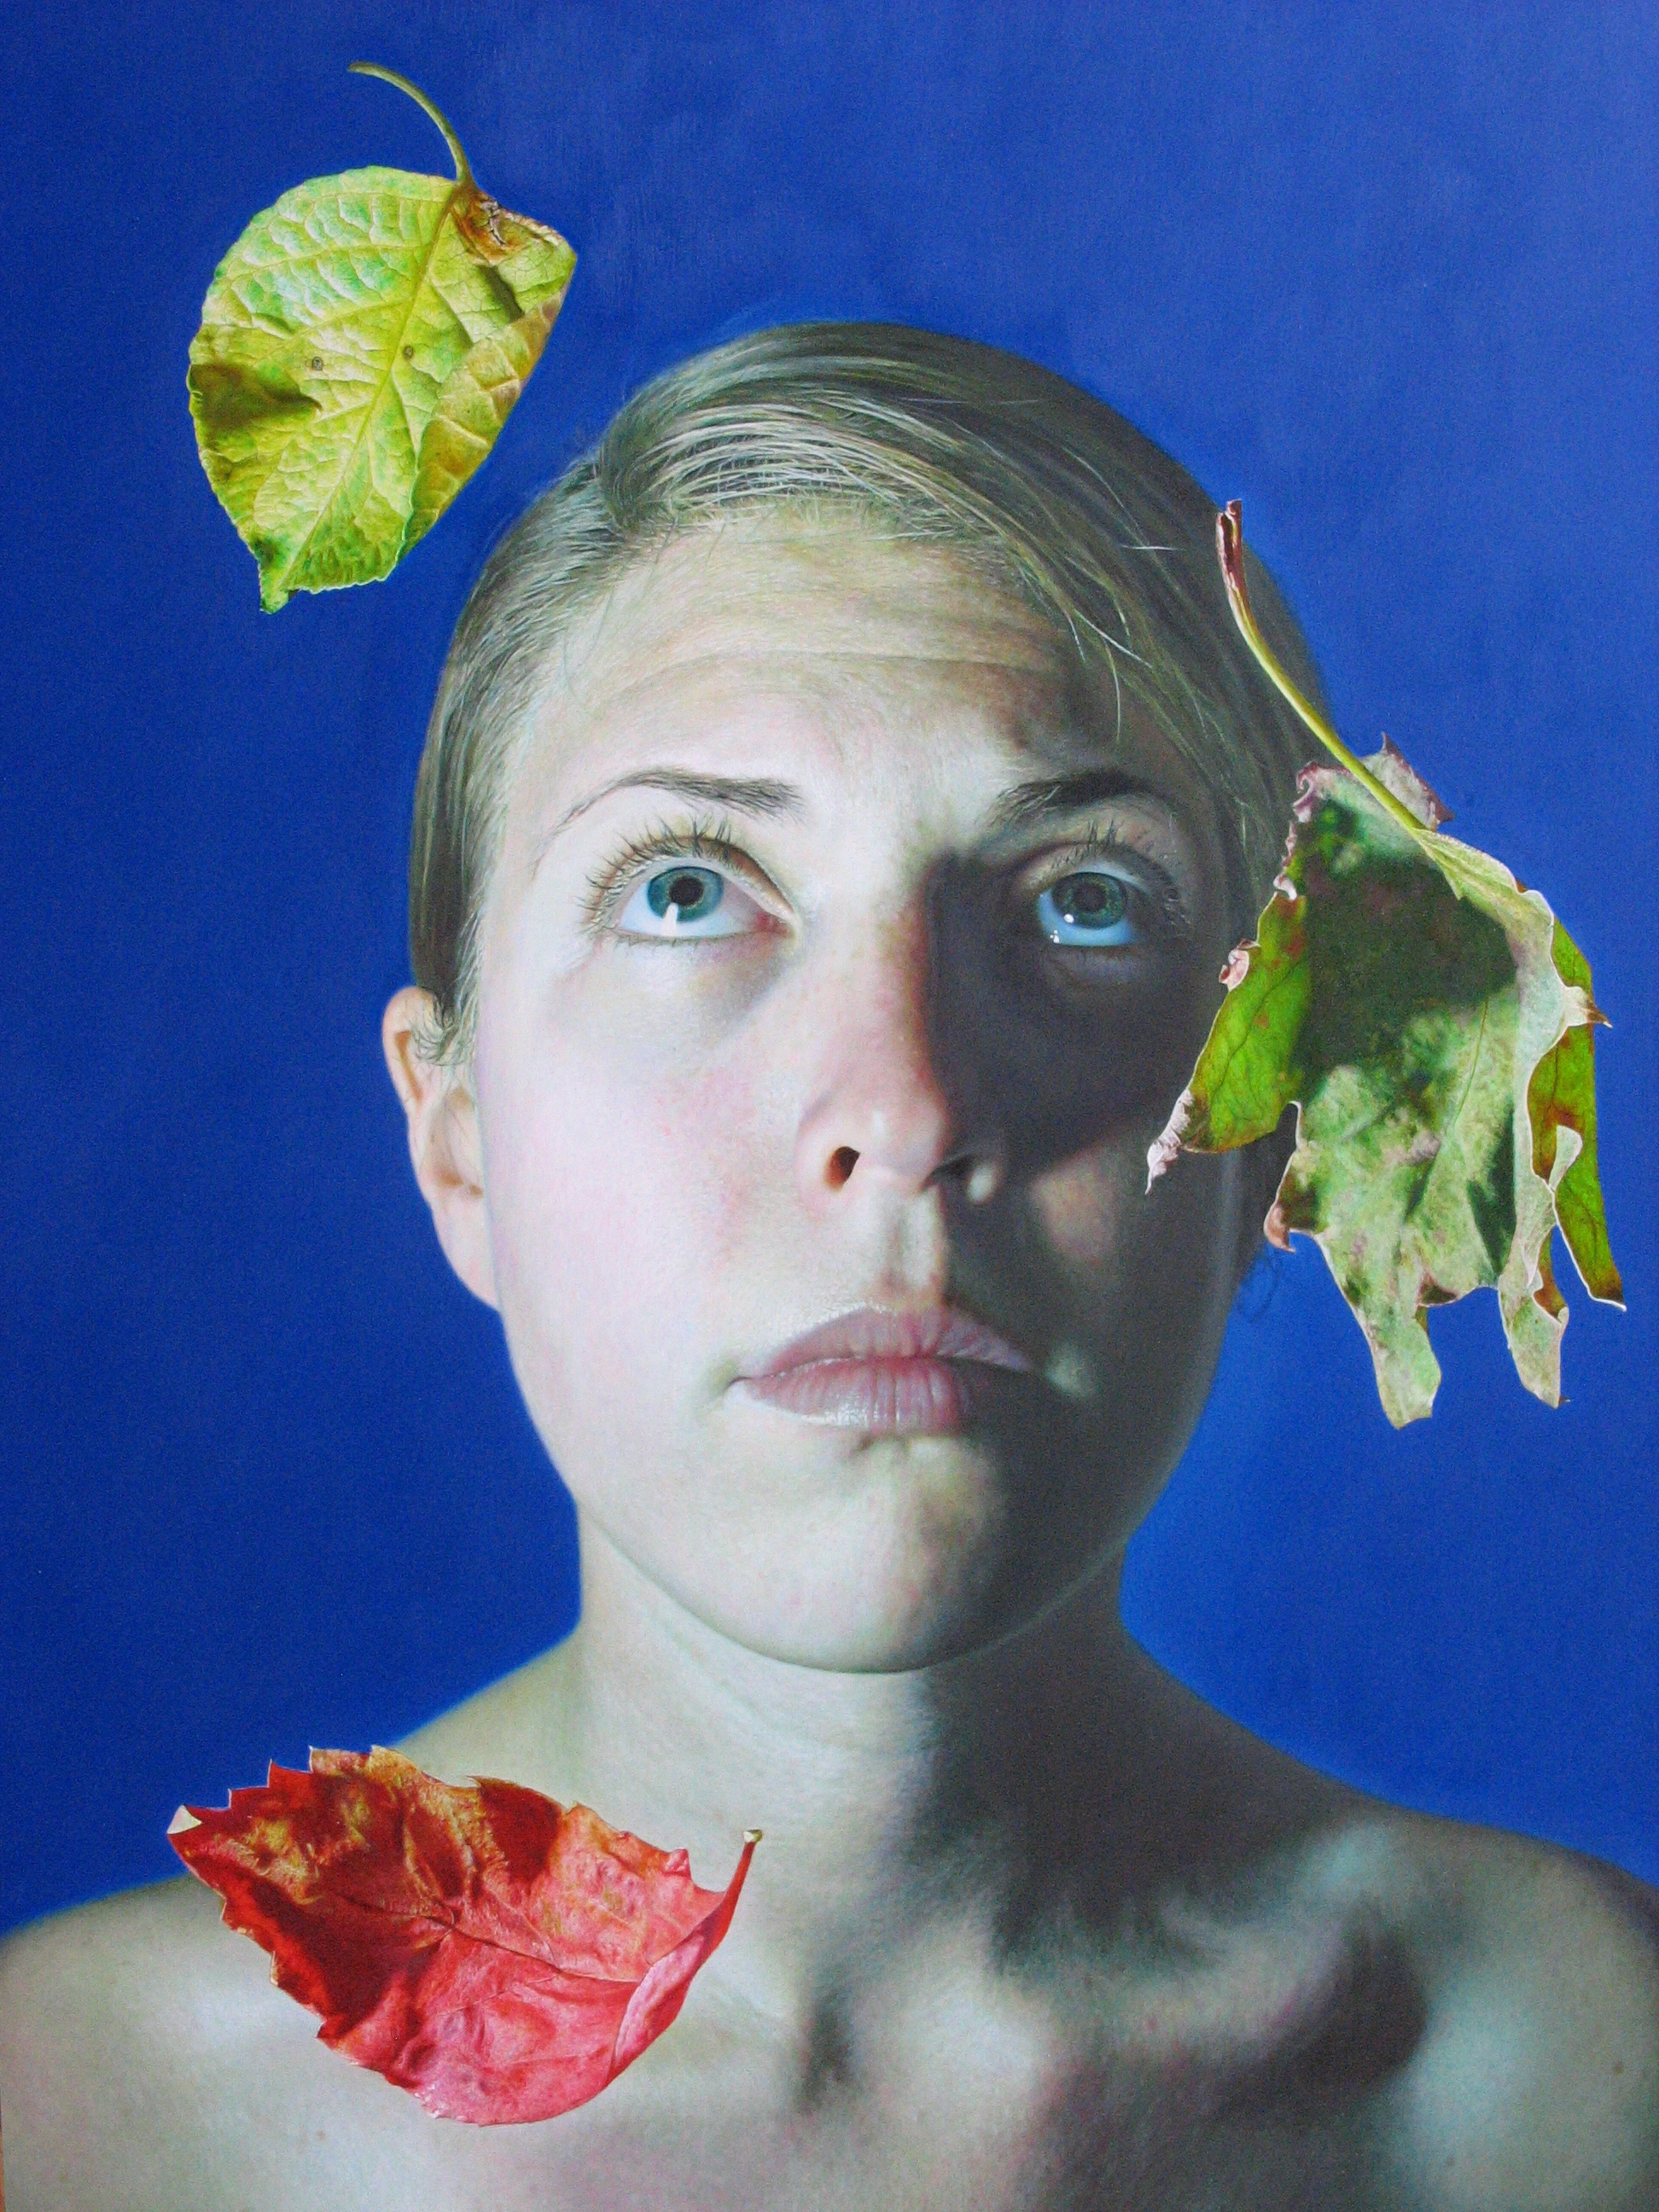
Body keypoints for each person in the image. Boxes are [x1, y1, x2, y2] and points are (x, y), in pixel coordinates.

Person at [3, 324, 1655, 2210]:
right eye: (685, 890)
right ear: (459, 1145)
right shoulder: (69, 2129)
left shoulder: (1583, 2082)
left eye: (1083, 901)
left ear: (1280, 1133)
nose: (906, 1106)